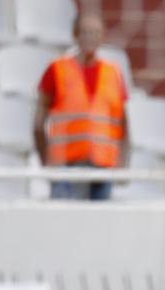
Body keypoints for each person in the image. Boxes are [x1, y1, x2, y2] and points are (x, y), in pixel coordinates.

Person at [34, 14, 129, 201]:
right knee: (65, 224)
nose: (91, 37)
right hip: (65, 166)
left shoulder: (113, 73)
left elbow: (123, 125)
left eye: (96, 32)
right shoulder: (57, 70)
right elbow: (38, 122)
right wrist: (46, 161)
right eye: (86, 32)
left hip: (102, 167)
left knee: (99, 225)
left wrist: (122, 162)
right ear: (75, 35)